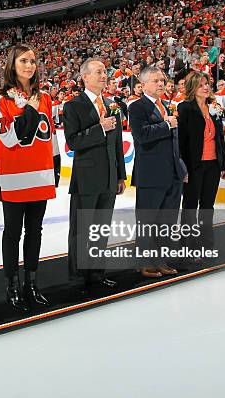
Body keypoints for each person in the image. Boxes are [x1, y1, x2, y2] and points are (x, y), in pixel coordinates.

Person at [0, 45, 60, 311]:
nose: (29, 65)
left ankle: (31, 284)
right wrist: (29, 111)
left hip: (41, 175)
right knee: (12, 232)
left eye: (32, 61)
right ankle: (12, 285)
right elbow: (9, 138)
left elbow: (50, 135)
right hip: (14, 177)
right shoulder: (2, 99)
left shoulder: (44, 97)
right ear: (13, 64)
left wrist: (55, 166)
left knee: (35, 231)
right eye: (23, 61)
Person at [64, 58, 126, 293]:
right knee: (81, 230)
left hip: (109, 179)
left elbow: (117, 144)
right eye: (98, 72)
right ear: (85, 77)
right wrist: (99, 128)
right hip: (86, 180)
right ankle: (78, 278)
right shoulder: (73, 106)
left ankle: (97, 275)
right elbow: (72, 142)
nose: (104, 76)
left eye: (105, 72)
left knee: (101, 229)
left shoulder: (112, 105)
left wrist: (120, 175)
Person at [128, 66, 187, 278]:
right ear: (142, 85)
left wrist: (180, 167)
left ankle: (160, 260)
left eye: (162, 80)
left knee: (166, 222)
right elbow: (141, 136)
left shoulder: (166, 106)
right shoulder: (137, 107)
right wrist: (166, 125)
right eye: (155, 81)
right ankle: (143, 262)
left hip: (172, 173)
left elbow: (174, 143)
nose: (161, 84)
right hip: (151, 175)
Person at [177, 72, 225, 256]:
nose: (206, 87)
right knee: (190, 204)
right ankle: (188, 240)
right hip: (193, 165)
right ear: (192, 88)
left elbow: (219, 139)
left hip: (213, 164)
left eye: (207, 84)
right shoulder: (185, 108)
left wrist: (223, 166)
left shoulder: (213, 108)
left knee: (208, 204)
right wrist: (182, 167)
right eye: (201, 85)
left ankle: (206, 239)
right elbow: (180, 141)